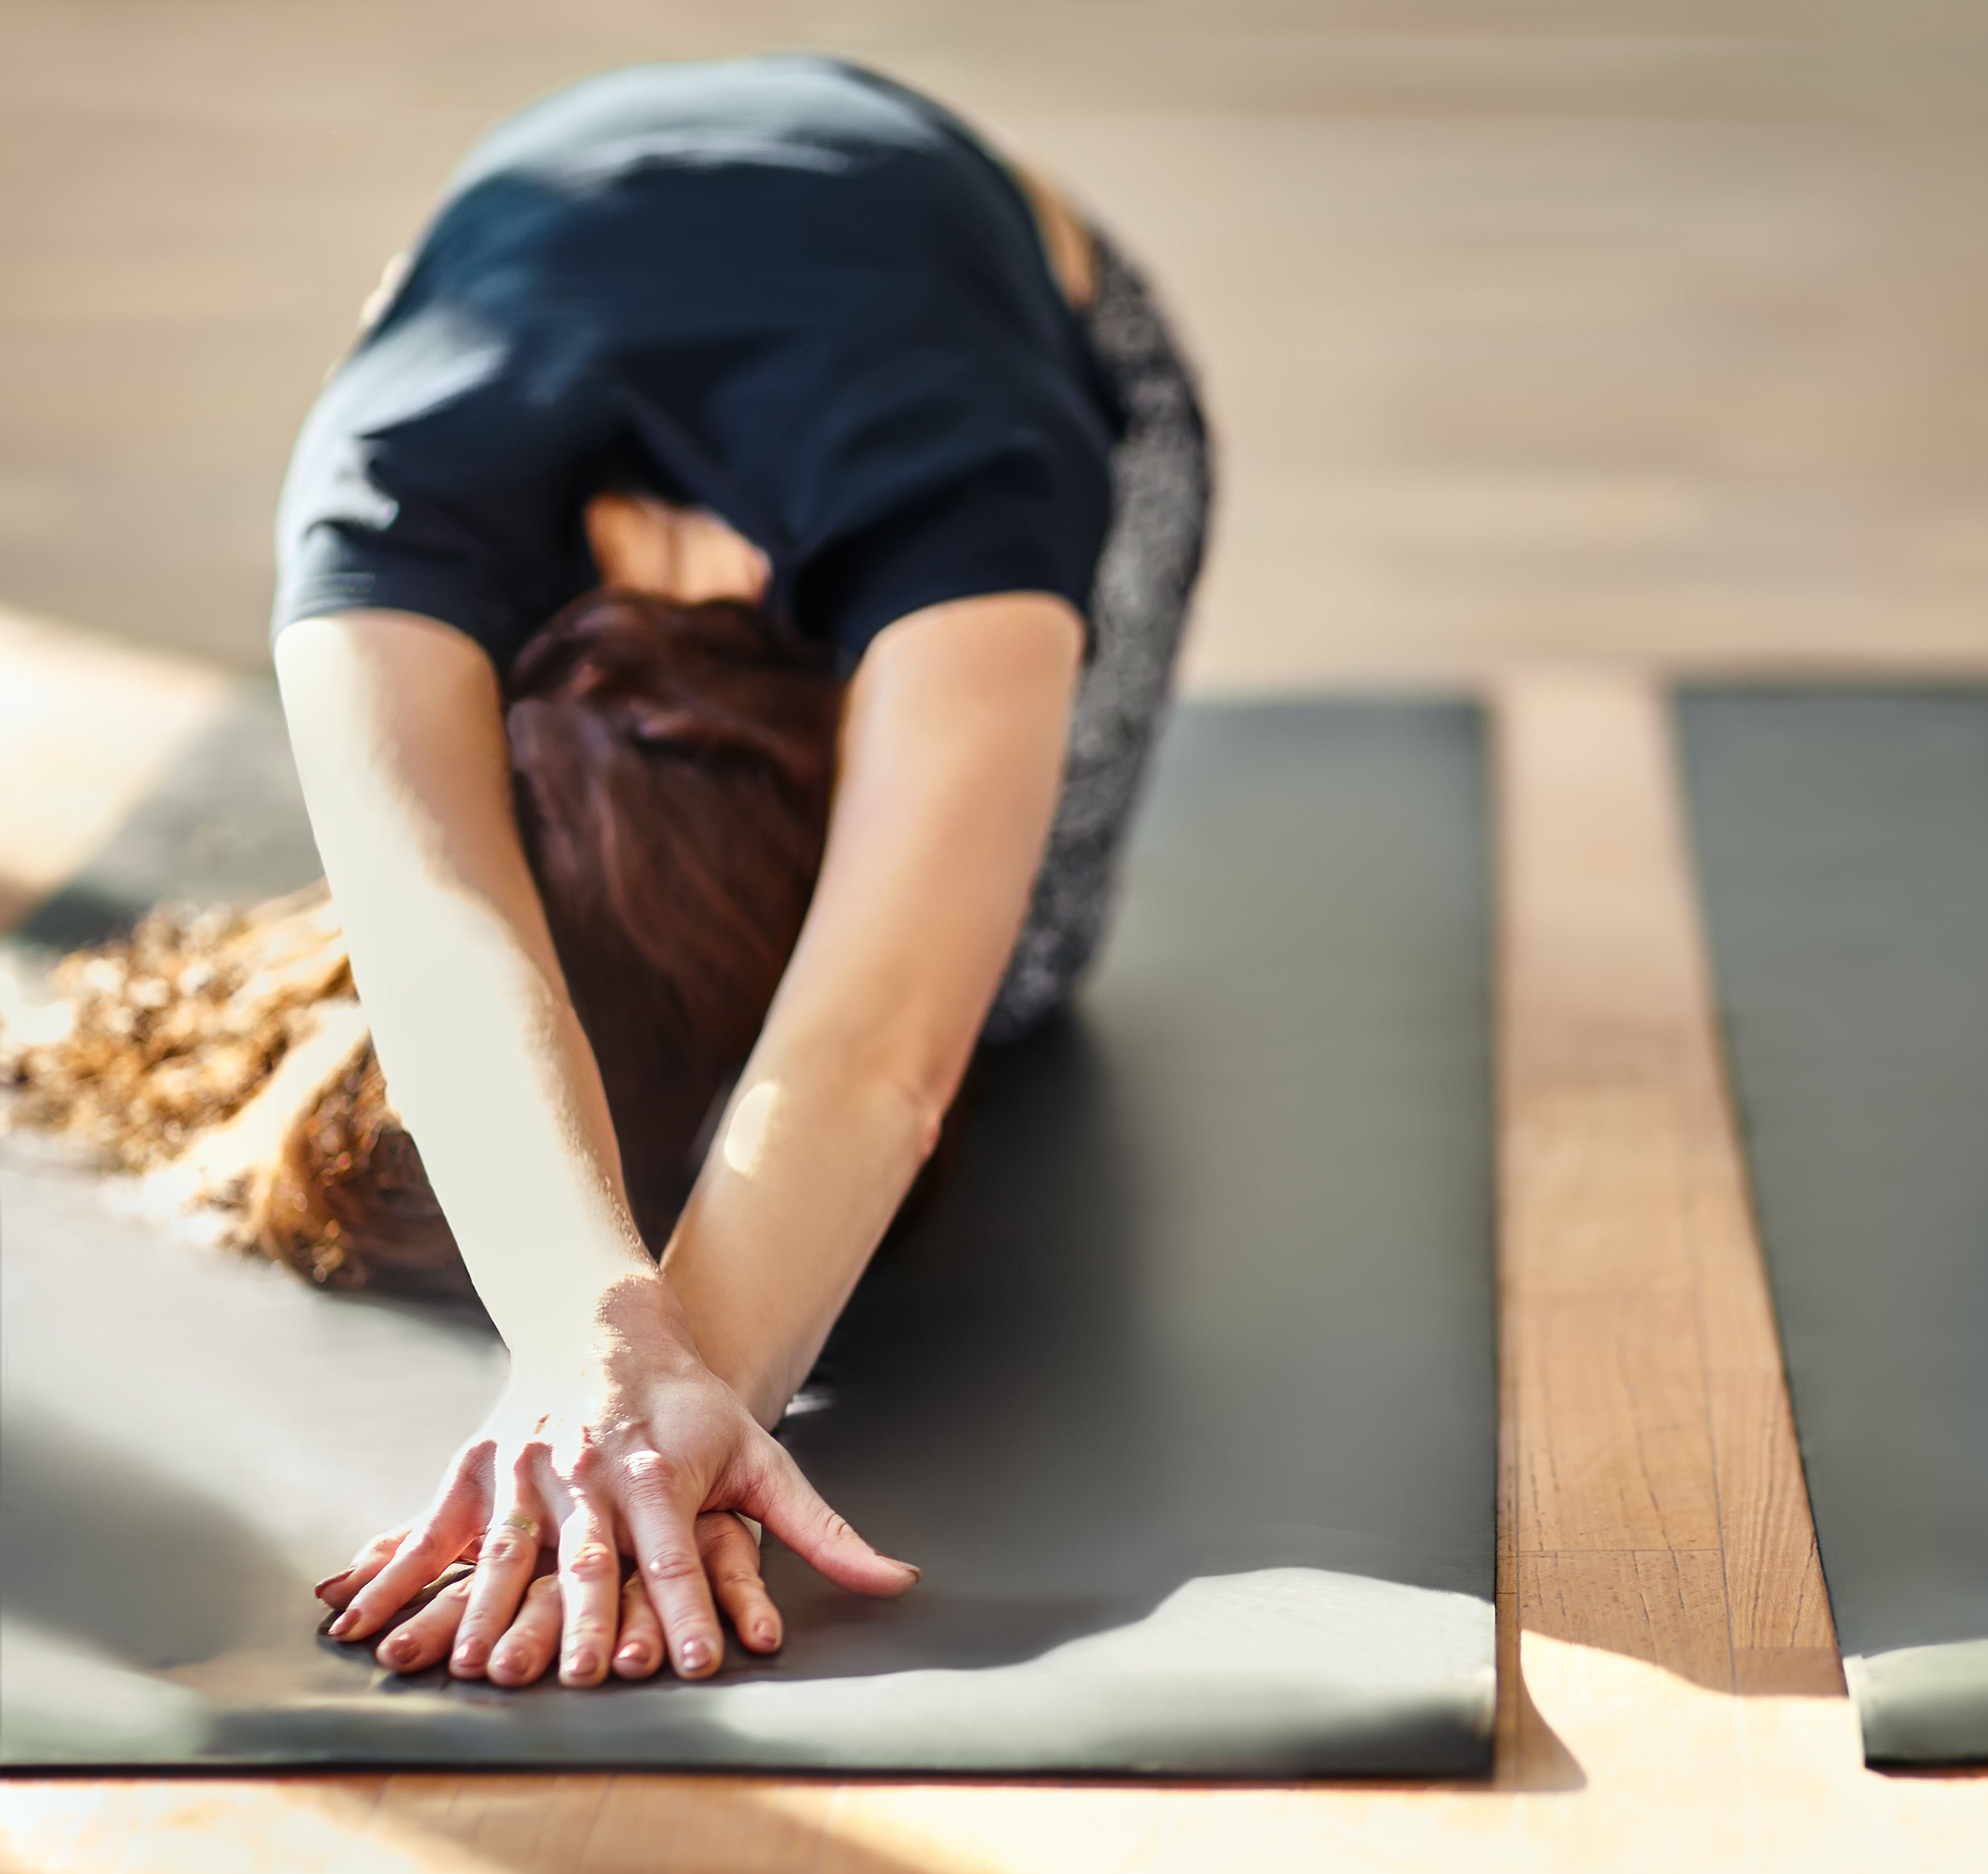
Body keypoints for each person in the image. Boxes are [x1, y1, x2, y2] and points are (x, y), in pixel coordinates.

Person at [59, 54, 1207, 1689]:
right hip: (537, 265)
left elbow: (882, 1051)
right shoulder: (384, 514)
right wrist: (609, 1361)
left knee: (1007, 971)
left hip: (1027, 301)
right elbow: (444, 942)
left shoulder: (972, 511)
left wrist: (673, 1421)